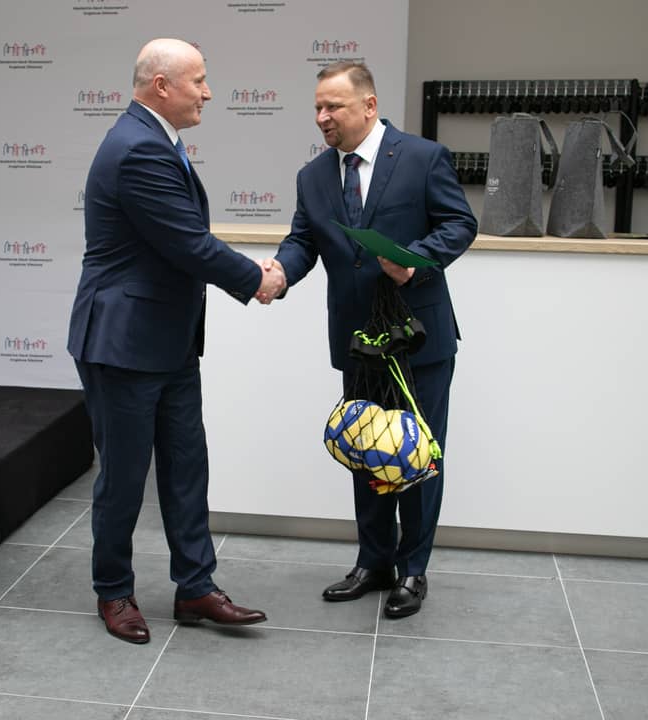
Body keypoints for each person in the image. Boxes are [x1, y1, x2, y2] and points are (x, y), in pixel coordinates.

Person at [67, 38, 284, 644]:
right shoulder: (139, 147)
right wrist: (258, 279)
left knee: (188, 468)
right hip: (123, 343)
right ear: (161, 86)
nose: (208, 92)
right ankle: (114, 591)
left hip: (168, 342)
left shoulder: (154, 138)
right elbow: (188, 243)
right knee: (124, 478)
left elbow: (180, 243)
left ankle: (195, 588)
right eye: (199, 81)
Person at [266, 61, 476, 618]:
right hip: (357, 339)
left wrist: (415, 262)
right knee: (366, 447)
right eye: (317, 107)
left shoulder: (423, 157)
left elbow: (459, 224)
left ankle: (414, 570)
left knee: (418, 454)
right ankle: (374, 561)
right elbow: (302, 240)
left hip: (418, 337)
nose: (322, 117)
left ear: (369, 106)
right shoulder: (313, 176)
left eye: (332, 106)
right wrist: (280, 272)